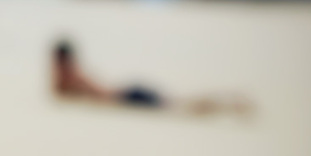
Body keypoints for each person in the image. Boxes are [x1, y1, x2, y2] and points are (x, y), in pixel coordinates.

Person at [51, 39, 253, 117]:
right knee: (179, 103)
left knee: (179, 105)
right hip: (126, 93)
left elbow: (97, 94)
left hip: (127, 96)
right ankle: (228, 102)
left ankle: (228, 103)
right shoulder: (72, 74)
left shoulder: (72, 75)